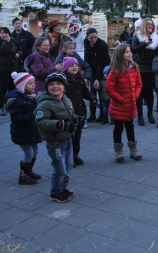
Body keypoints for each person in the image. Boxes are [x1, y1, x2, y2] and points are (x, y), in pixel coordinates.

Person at [35, 72, 81, 203]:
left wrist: (77, 119)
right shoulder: (44, 104)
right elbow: (41, 122)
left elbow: (70, 115)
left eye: (58, 83)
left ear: (64, 87)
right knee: (60, 168)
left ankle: (63, 188)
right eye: (51, 84)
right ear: (46, 87)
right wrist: (60, 124)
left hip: (67, 138)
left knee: (68, 165)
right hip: (55, 141)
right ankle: (55, 192)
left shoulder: (66, 100)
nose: (55, 86)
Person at [106, 43, 143, 163]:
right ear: (120, 55)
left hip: (131, 105)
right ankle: (118, 150)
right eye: (127, 52)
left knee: (130, 126)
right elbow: (109, 89)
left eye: (130, 51)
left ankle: (133, 149)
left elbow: (139, 84)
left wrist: (136, 95)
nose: (130, 53)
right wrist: (121, 99)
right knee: (118, 128)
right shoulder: (115, 70)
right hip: (119, 106)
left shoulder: (134, 68)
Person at [5, 72, 41, 185]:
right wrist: (33, 114)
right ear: (22, 86)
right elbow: (18, 119)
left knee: (35, 151)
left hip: (31, 130)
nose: (33, 85)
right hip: (22, 132)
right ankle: (23, 176)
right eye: (30, 83)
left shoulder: (30, 97)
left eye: (33, 83)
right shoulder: (17, 100)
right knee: (29, 153)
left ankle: (29, 171)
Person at [62, 57, 97, 166]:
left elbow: (85, 92)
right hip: (68, 112)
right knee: (69, 137)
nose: (74, 67)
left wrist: (92, 97)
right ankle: (69, 157)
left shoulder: (79, 79)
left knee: (77, 136)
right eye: (71, 66)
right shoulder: (63, 80)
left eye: (76, 66)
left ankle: (75, 155)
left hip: (80, 111)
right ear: (66, 68)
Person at [130, 18, 158, 126]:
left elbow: (156, 52)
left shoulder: (155, 37)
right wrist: (144, 44)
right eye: (148, 24)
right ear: (143, 26)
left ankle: (150, 114)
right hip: (140, 67)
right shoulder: (137, 36)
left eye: (151, 24)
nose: (150, 26)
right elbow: (133, 50)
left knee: (150, 93)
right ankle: (140, 116)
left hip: (150, 68)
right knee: (140, 93)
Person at [84, 28, 110, 122]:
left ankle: (103, 114)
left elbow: (101, 63)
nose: (93, 40)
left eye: (95, 37)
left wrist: (98, 79)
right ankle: (92, 114)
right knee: (92, 92)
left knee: (101, 91)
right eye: (91, 38)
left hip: (103, 70)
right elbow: (86, 57)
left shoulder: (102, 45)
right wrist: (87, 72)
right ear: (87, 37)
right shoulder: (86, 42)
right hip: (91, 69)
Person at [0, 27, 20, 116]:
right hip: (3, 68)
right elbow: (2, 50)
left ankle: (11, 104)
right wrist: (6, 42)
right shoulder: (4, 42)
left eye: (6, 33)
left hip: (13, 68)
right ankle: (1, 106)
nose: (4, 35)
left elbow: (19, 49)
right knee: (3, 88)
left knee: (13, 87)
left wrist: (19, 53)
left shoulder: (13, 41)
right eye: (2, 33)